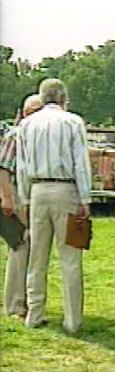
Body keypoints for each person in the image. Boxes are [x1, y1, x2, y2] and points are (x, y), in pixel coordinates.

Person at [16, 79, 92, 333]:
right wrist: (85, 198)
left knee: (37, 257)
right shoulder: (73, 122)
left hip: (37, 190)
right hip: (65, 189)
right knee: (70, 257)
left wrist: (25, 199)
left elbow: (22, 166)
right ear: (63, 98)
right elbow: (80, 163)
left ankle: (34, 314)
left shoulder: (26, 125)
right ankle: (72, 320)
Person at [0, 94, 42, 317]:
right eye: (33, 111)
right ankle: (15, 304)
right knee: (20, 245)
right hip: (18, 193)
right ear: (24, 113)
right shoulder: (15, 135)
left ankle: (26, 302)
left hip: (33, 193)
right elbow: (3, 169)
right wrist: (7, 199)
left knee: (33, 247)